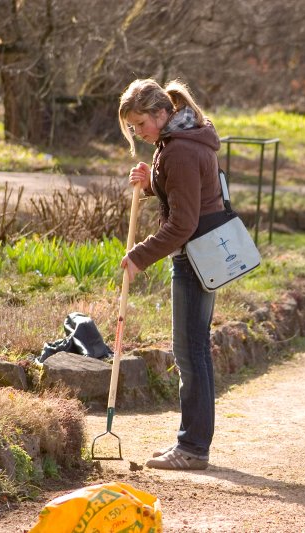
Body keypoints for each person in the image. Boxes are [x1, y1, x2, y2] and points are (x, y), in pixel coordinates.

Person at [118, 78, 224, 470]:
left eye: (140, 123)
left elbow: (183, 223)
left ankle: (193, 448)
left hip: (195, 258)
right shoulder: (180, 142)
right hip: (200, 255)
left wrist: (139, 256)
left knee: (191, 352)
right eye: (132, 127)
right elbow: (187, 196)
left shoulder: (178, 150)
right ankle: (193, 442)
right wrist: (151, 185)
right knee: (193, 351)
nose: (138, 132)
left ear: (162, 114)